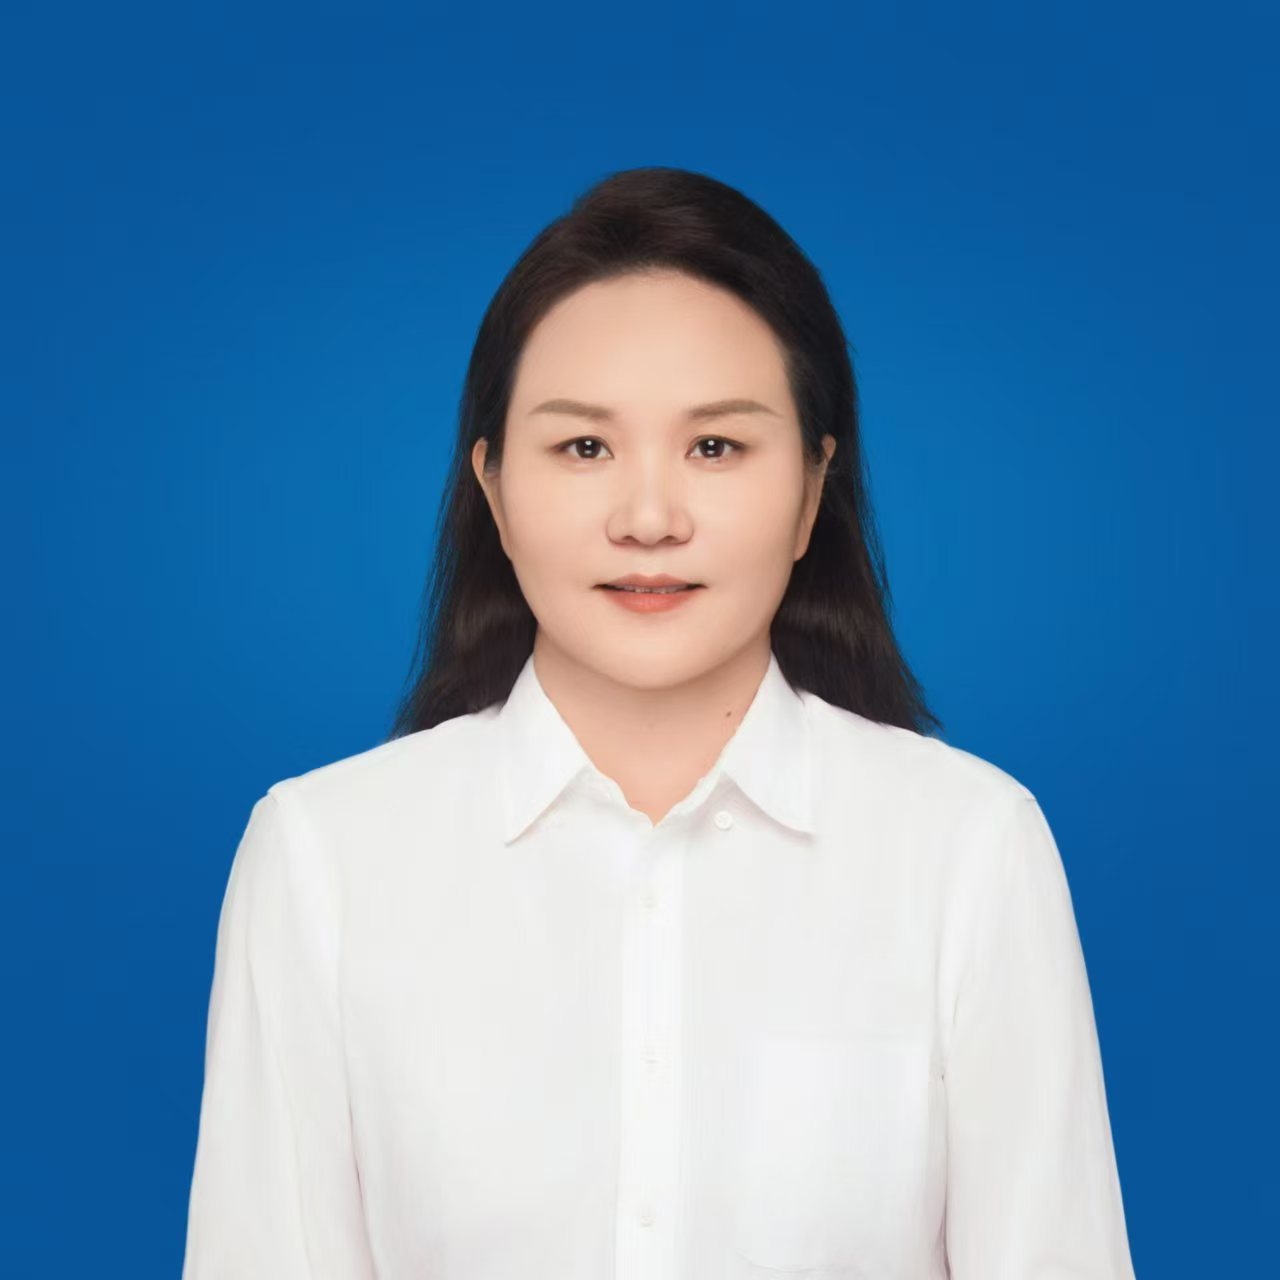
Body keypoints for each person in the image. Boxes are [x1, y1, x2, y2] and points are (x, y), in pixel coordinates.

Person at [181, 166, 1137, 1278]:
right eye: (583, 447)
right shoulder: (323, 858)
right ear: (493, 488)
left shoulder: (968, 848)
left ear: (811, 489)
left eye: (715, 447)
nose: (648, 518)